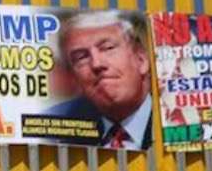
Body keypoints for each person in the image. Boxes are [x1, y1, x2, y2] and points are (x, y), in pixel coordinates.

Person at [42, 9, 154, 149]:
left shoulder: (180, 116)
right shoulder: (53, 128)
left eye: (108, 48)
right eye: (81, 57)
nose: (96, 64)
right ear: (74, 79)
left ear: (141, 60)